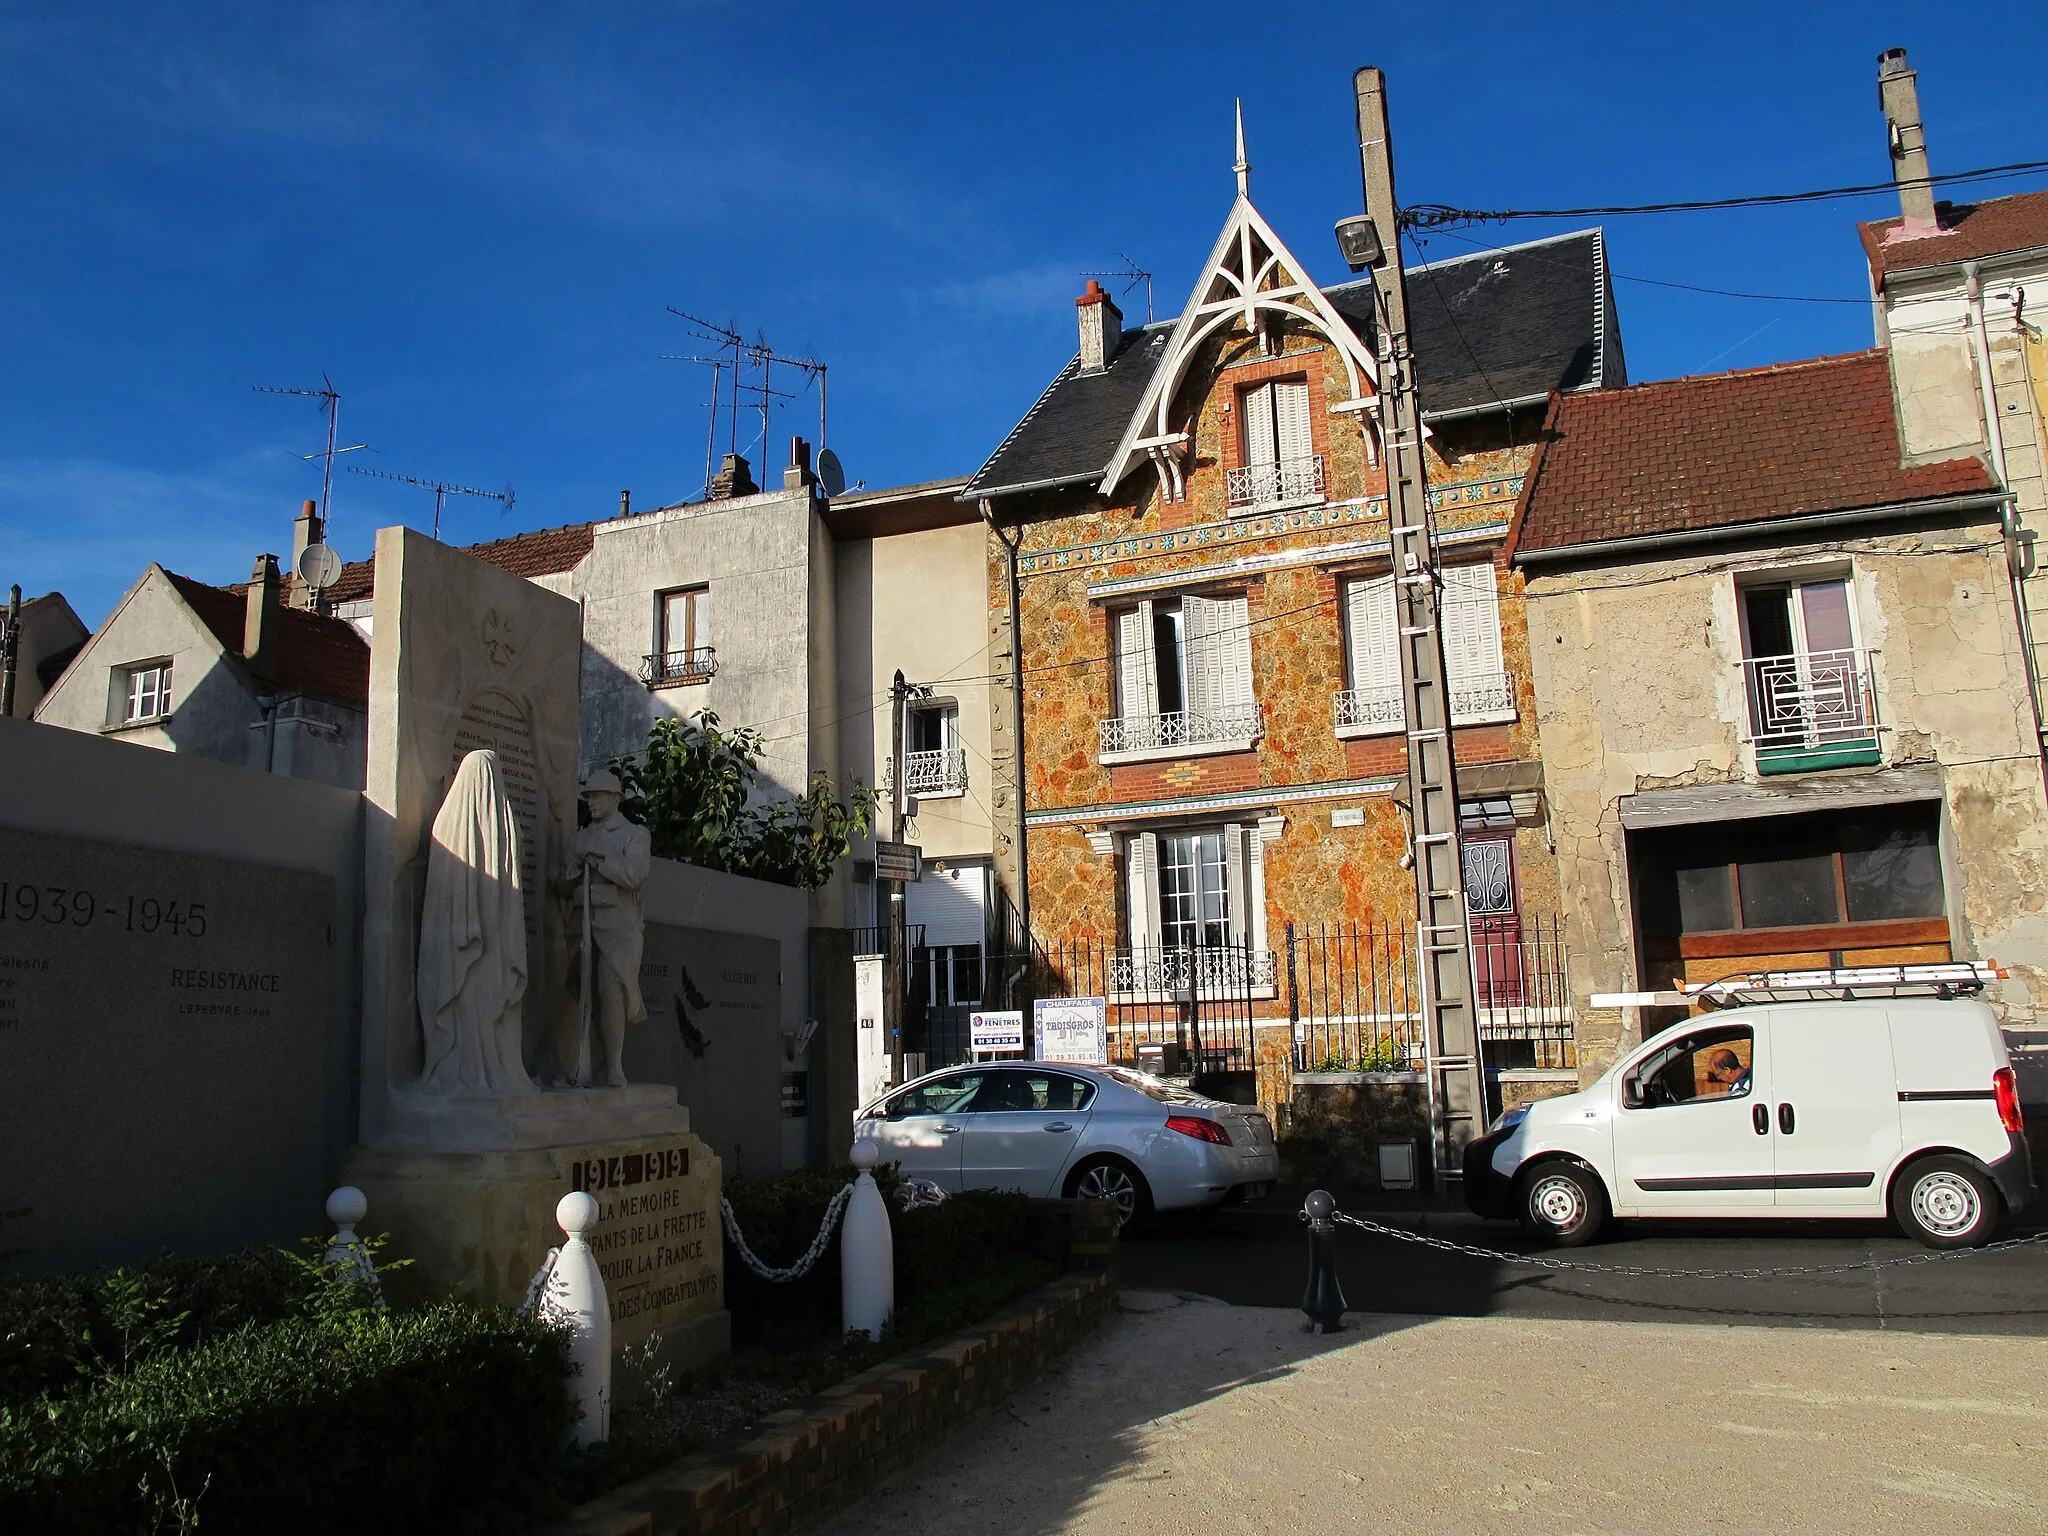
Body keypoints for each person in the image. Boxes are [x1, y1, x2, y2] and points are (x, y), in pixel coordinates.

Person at [417, 749, 537, 1097]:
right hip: (493, 949)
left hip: (458, 948)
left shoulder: (445, 822)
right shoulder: (505, 825)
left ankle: (464, 1075)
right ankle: (487, 1076)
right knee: (488, 1015)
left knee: (468, 1012)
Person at [554, 770, 651, 1087]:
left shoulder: (634, 834)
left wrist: (599, 862)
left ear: (614, 799)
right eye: (587, 796)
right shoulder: (580, 838)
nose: (590, 802)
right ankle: (578, 1062)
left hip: (618, 925)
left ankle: (613, 1065)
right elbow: (561, 886)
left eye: (596, 796)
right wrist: (571, 872)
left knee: (611, 990)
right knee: (582, 991)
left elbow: (634, 875)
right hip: (581, 920)